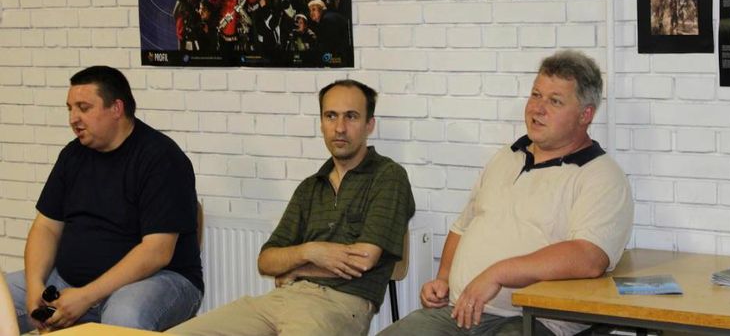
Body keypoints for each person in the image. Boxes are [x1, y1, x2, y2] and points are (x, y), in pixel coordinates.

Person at [380, 50, 633, 336]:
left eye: (555, 101)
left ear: (585, 115)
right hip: (460, 311)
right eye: (536, 95)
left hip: (535, 320)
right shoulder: (506, 157)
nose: (537, 109)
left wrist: (498, 273)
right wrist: (444, 279)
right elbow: (462, 227)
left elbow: (589, 257)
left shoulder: (601, 175)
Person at [169, 79, 415, 336]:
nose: (340, 128)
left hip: (339, 305)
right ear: (321, 123)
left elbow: (362, 260)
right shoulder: (310, 187)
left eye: (351, 116)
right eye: (331, 116)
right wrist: (311, 250)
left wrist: (297, 268)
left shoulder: (388, 176)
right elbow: (266, 261)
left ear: (369, 125)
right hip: (283, 299)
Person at [7, 66, 203, 334]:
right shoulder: (72, 156)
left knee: (124, 316)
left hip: (154, 280)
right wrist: (34, 289)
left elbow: (157, 251)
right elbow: (46, 227)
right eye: (70, 109)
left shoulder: (161, 158)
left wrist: (86, 297)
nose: (73, 118)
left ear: (116, 108)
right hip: (67, 282)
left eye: (84, 108)